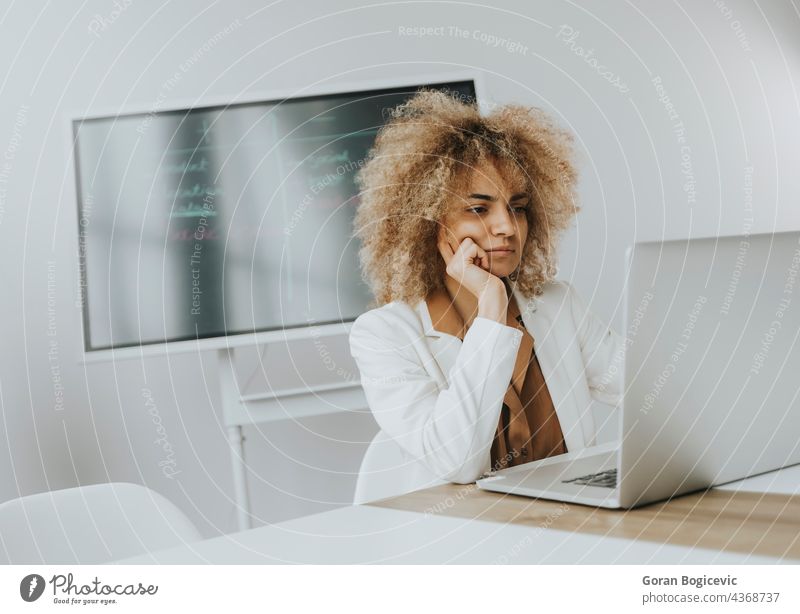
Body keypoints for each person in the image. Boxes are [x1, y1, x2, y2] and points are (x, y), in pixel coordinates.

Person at [349, 88, 623, 486]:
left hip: (572, 529)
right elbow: (455, 462)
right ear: (430, 223)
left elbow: (652, 388)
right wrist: (492, 307)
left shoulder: (557, 305)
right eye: (479, 209)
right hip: (459, 539)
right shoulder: (383, 335)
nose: (508, 227)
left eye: (519, 207)